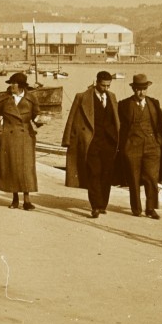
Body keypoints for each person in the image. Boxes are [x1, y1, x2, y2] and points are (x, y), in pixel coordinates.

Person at [62, 71, 120, 218]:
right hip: (91, 142)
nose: (106, 88)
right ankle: (95, 206)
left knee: (106, 175)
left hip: (109, 143)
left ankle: (102, 205)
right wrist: (67, 139)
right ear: (96, 82)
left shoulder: (112, 97)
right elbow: (71, 117)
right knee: (94, 174)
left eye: (108, 85)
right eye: (103, 85)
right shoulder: (82, 96)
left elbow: (116, 120)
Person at [116, 73, 162, 220]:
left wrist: (159, 142)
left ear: (147, 89)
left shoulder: (154, 104)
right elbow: (117, 127)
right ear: (133, 89)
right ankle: (136, 209)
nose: (141, 92)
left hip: (152, 147)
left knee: (151, 178)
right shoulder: (123, 105)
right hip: (132, 148)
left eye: (144, 89)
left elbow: (160, 124)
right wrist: (123, 146)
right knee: (133, 179)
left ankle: (151, 208)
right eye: (138, 89)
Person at [0, 72, 41, 210]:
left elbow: (36, 115)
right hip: (9, 135)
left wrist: (40, 121)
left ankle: (27, 200)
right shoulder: (4, 98)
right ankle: (15, 199)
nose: (11, 86)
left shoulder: (31, 98)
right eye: (11, 83)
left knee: (26, 168)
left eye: (14, 83)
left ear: (21, 85)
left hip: (26, 136)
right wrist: (0, 130)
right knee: (11, 166)